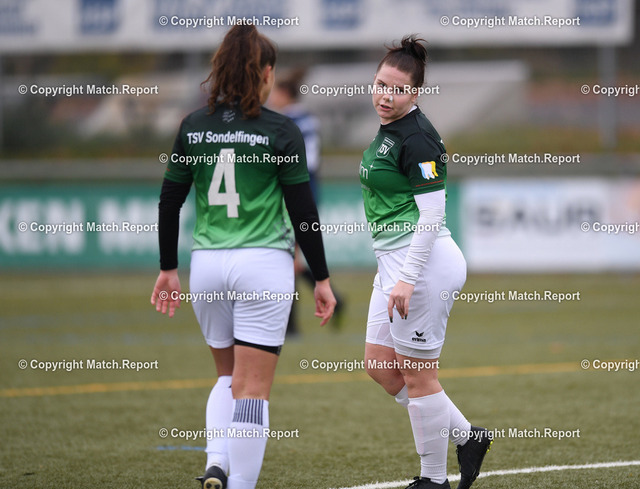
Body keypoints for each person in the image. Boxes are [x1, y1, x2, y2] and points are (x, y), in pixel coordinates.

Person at [150, 24, 336, 489]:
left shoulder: (193, 125)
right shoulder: (282, 129)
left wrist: (168, 268)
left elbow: (169, 201)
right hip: (263, 265)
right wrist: (322, 278)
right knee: (253, 390)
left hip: (207, 266)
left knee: (225, 376)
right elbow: (303, 212)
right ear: (266, 73)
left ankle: (217, 461)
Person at [360, 35, 492, 489]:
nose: (385, 95)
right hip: (395, 266)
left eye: (397, 90)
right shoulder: (390, 128)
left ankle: (433, 480)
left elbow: (433, 215)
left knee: (418, 375)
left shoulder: (417, 137)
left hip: (422, 268)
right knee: (380, 364)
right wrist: (395, 274)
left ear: (415, 93)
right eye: (381, 84)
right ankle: (467, 437)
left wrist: (407, 278)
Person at [268, 69, 345, 334]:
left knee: (287, 257)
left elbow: (295, 162)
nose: (271, 97)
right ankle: (332, 300)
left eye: (275, 92)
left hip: (294, 193)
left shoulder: (287, 121)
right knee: (290, 257)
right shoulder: (308, 119)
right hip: (309, 190)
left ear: (284, 93)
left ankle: (290, 326)